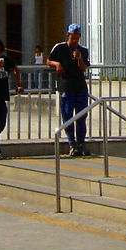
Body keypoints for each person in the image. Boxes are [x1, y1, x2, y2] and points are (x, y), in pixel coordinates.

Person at [46, 24, 91, 156]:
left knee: (81, 115)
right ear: (68, 36)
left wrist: (79, 58)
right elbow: (48, 60)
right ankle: (72, 143)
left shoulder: (83, 50)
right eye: (72, 38)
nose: (75, 41)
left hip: (80, 87)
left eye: (77, 38)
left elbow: (83, 68)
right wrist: (57, 64)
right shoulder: (59, 48)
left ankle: (81, 142)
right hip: (66, 86)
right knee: (67, 115)